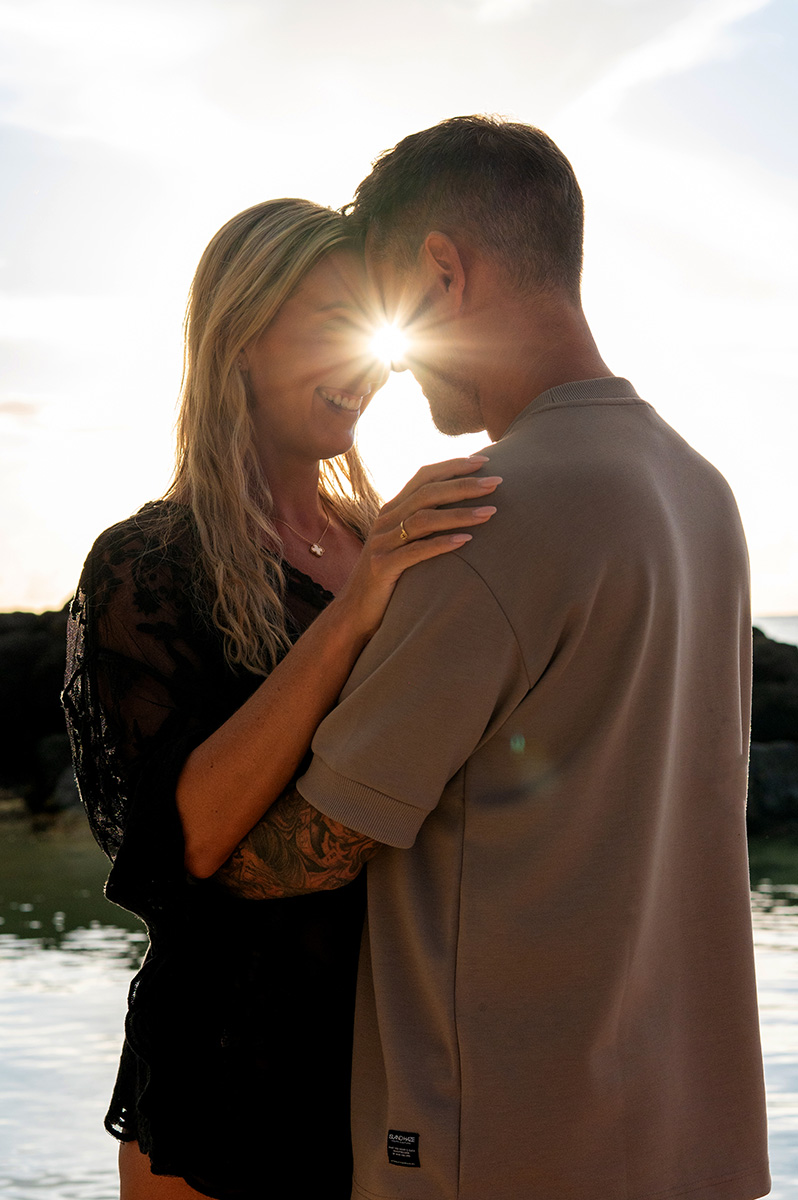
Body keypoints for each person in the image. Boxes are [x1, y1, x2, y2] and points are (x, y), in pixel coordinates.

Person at [214, 120, 771, 1200]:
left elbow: (309, 852)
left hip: (498, 1148)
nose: (392, 358)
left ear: (441, 270)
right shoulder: (703, 492)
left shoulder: (486, 516)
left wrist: (201, 842)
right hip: (682, 1141)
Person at [61, 196, 501, 1200]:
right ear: (240, 339)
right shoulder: (147, 564)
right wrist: (355, 612)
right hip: (227, 1079)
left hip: (396, 1066)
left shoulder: (385, 533)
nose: (362, 362)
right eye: (328, 324)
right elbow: (194, 836)